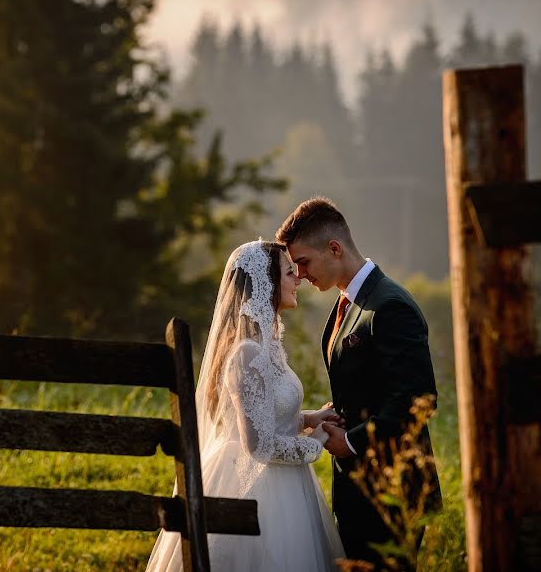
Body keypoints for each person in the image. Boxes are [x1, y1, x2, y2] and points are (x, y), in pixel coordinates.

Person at [146, 240, 346, 571]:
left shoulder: (267, 350)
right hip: (252, 484)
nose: (297, 279)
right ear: (265, 284)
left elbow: (267, 415)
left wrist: (311, 417)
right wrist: (318, 440)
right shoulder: (247, 354)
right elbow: (260, 445)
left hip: (285, 484)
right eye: (288, 273)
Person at [276, 197, 442, 571]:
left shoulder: (389, 306)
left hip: (392, 492)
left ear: (334, 248)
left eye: (303, 262)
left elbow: (418, 398)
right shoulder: (345, 304)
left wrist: (350, 441)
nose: (299, 275)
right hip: (357, 491)